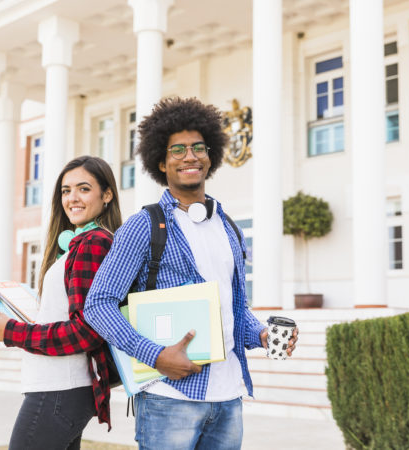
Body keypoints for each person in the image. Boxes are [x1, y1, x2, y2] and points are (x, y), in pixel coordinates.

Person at [84, 97, 299, 450]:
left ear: (210, 156)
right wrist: (154, 355)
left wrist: (262, 334)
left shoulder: (228, 226)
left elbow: (233, 306)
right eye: (178, 150)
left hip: (229, 395)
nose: (190, 157)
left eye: (199, 148)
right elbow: (99, 304)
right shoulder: (143, 226)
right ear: (161, 162)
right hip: (169, 398)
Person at [0, 156, 122, 450]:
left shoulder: (93, 243)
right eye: (66, 191)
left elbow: (86, 332)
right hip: (62, 388)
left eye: (83, 189)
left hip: (59, 388)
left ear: (106, 195)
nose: (72, 198)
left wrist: (10, 331)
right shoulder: (79, 243)